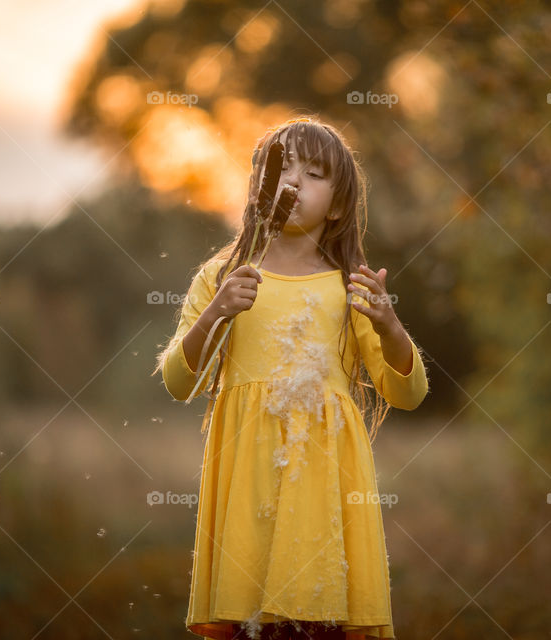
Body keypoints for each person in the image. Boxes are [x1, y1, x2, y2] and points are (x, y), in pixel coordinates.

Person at [153, 116, 429, 640]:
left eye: (314, 172)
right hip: (246, 491)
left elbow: (407, 393)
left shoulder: (352, 289)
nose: (292, 181)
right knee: (249, 624)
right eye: (277, 167)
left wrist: (390, 327)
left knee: (315, 621)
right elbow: (178, 382)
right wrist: (216, 313)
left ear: (340, 204)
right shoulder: (222, 278)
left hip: (325, 496)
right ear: (257, 184)